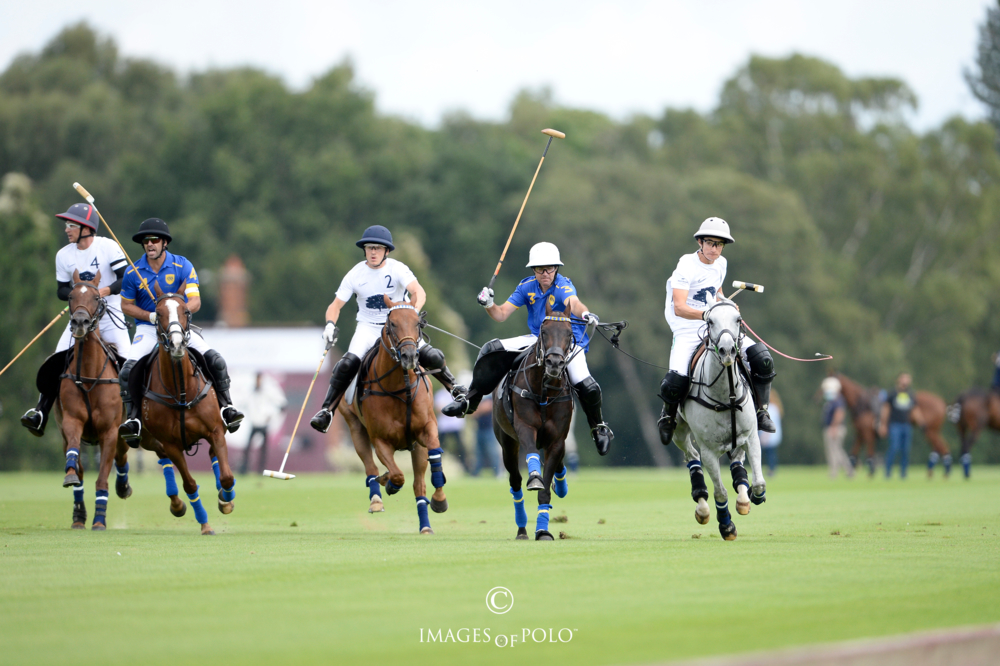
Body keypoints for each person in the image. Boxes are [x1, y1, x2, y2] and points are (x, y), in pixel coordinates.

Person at [443, 242, 614, 456]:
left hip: (568, 343)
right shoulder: (526, 287)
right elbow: (501, 314)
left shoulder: (563, 286)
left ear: (556, 268)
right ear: (533, 269)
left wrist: (585, 314)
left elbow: (575, 303)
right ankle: (470, 401)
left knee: (587, 385)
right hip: (538, 339)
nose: (545, 273)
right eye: (540, 269)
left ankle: (598, 427)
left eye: (549, 268)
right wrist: (488, 304)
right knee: (490, 349)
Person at [309, 225, 462, 432]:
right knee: (346, 364)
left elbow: (418, 291)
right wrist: (329, 325)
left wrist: (413, 312)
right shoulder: (355, 274)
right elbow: (335, 306)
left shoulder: (397, 269)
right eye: (370, 248)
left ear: (386, 251)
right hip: (368, 328)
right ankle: (327, 411)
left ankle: (455, 390)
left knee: (432, 355)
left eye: (378, 248)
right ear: (364, 250)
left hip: (400, 327)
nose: (373, 252)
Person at [117, 218, 244, 443]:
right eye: (145, 241)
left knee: (216, 360)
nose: (149, 244)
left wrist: (176, 314)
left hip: (179, 326)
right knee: (127, 371)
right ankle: (134, 420)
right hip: (148, 328)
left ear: (164, 242)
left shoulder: (182, 266)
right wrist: (150, 316)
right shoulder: (132, 272)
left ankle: (227, 408)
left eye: (154, 240)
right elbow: (125, 305)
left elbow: (195, 300)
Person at [656, 217, 776, 446]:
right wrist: (706, 315)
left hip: (716, 327)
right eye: (710, 243)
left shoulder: (721, 263)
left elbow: (716, 290)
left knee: (763, 359)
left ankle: (761, 411)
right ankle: (668, 417)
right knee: (674, 382)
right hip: (687, 329)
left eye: (719, 244)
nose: (715, 249)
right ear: (700, 242)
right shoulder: (686, 265)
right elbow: (679, 306)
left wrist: (725, 305)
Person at [21, 203, 132, 436]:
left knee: (129, 365)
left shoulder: (108, 247)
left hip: (110, 317)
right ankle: (41, 411)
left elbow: (125, 279)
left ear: (86, 228)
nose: (66, 229)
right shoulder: (63, 255)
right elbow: (61, 290)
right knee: (55, 362)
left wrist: (103, 291)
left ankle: (134, 418)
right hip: (80, 319)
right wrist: (77, 294)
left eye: (71, 225)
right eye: (67, 225)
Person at [240, 372, 287, 475]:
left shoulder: (267, 392)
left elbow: (280, 404)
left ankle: (260, 470)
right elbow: (243, 403)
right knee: (247, 448)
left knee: (263, 450)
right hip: (254, 423)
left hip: (264, 424)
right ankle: (244, 469)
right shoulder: (250, 391)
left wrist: (270, 415)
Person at [878, 372, 922, 479]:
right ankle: (887, 472)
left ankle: (903, 474)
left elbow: (915, 410)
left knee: (905, 450)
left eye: (908, 379)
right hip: (895, 425)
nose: (905, 381)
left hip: (906, 425)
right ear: (899, 379)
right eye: (904, 378)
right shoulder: (892, 394)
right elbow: (886, 409)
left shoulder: (911, 394)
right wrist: (883, 424)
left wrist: (922, 422)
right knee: (894, 448)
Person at [820, 377, 852, 479]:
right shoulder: (833, 400)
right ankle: (847, 470)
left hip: (835, 428)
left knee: (835, 451)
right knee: (836, 450)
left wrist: (833, 427)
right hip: (833, 428)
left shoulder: (837, 400)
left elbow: (839, 414)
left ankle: (836, 472)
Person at [434, 387, 468, 470]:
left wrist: (447, 408)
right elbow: (439, 409)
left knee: (460, 448)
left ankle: (465, 467)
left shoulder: (458, 394)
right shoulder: (440, 394)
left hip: (456, 425)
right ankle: (438, 465)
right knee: (440, 446)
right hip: (444, 426)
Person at [471, 395, 502, 477]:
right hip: (479, 429)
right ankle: (476, 473)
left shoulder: (489, 396)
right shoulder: (477, 396)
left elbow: (487, 407)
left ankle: (498, 472)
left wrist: (478, 409)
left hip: (489, 428)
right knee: (478, 453)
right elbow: (471, 413)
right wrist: (480, 409)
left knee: (492, 452)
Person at [759, 389, 783, 475]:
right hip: (774, 436)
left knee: (769, 455)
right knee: (772, 454)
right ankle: (771, 469)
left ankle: (771, 470)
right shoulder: (776, 407)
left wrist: (765, 436)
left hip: (769, 436)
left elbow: (769, 423)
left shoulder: (771, 408)